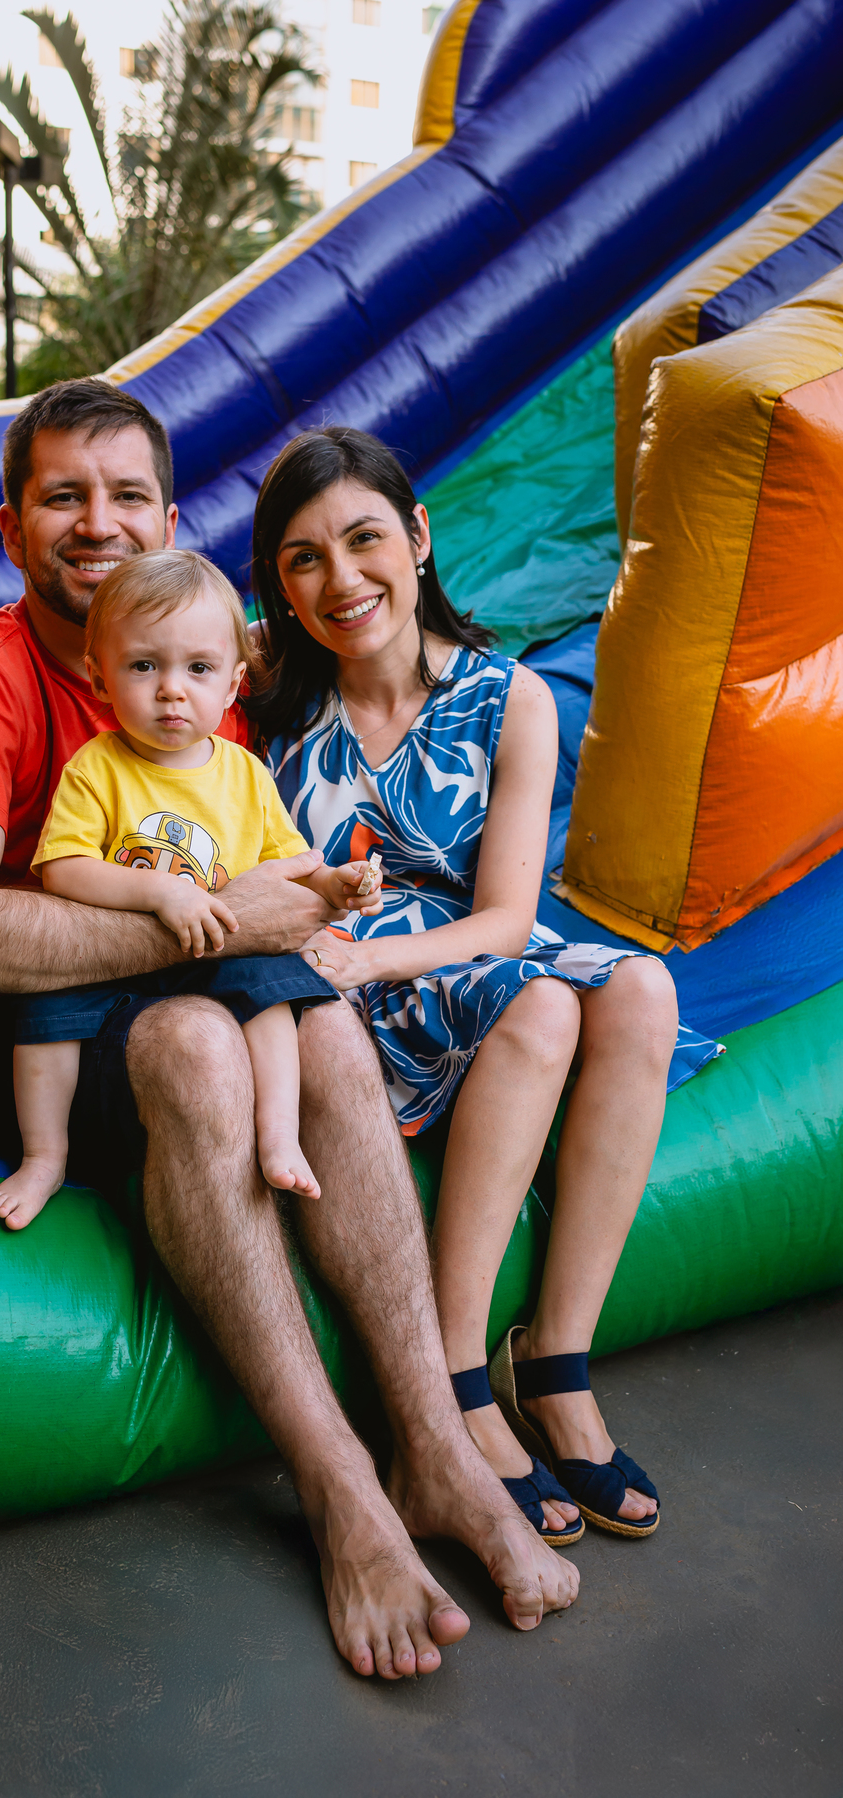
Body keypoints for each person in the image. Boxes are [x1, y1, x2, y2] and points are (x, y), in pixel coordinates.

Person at [0, 378, 579, 1682]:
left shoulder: (223, 666)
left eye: (128, 495)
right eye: (63, 497)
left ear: (168, 518)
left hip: (213, 994)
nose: (98, 523)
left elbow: (345, 777)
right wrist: (206, 918)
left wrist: (340, 907)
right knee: (203, 1041)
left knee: (312, 1025)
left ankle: (433, 1443)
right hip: (29, 1035)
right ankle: (340, 1489)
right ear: (12, 520)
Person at [252, 425, 713, 1545]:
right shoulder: (263, 695)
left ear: (417, 535)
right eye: (304, 558)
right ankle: (456, 1375)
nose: (342, 579)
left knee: (643, 990)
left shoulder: (508, 698)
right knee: (546, 999)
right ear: (279, 584)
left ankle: (554, 1359)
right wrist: (340, 954)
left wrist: (378, 953)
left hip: (449, 951)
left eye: (365, 539)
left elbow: (506, 915)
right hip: (338, 977)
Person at [0, 546, 384, 1230]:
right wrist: (161, 895)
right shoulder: (97, 769)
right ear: (100, 677)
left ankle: (278, 1132)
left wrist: (339, 881)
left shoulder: (245, 775)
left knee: (277, 989)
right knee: (42, 1009)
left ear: (231, 685)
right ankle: (44, 1157)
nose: (172, 689)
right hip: (121, 962)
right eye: (144, 666)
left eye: (197, 669)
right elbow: (64, 868)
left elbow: (291, 859)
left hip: (218, 955)